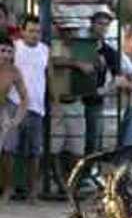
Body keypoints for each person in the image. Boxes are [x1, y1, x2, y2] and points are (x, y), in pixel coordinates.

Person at [6, 15, 53, 204]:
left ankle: (32, 192)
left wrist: (55, 102)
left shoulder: (44, 50)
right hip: (14, 105)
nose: (35, 34)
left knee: (35, 152)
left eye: (37, 31)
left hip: (36, 108)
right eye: (31, 30)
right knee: (9, 149)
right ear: (22, 31)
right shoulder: (15, 47)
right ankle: (9, 188)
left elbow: (50, 76)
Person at [51, 21, 93, 193]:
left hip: (76, 103)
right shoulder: (54, 45)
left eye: (73, 30)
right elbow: (52, 61)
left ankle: (70, 183)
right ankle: (60, 183)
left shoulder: (84, 48)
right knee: (54, 148)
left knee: (77, 149)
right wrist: (75, 63)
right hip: (57, 103)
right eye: (66, 30)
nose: (70, 33)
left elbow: (93, 67)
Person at [84, 9, 120, 157]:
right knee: (72, 141)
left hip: (95, 101)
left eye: (106, 24)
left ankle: (89, 174)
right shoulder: (81, 45)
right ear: (92, 24)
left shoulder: (109, 52)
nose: (103, 27)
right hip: (74, 100)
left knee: (94, 139)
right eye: (100, 23)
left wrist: (104, 90)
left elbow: (118, 78)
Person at [0, 35, 29, 204]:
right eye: (2, 50)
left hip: (4, 111)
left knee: (7, 152)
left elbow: (25, 98)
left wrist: (16, 120)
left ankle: (8, 187)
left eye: (9, 52)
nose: (5, 55)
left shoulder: (14, 71)